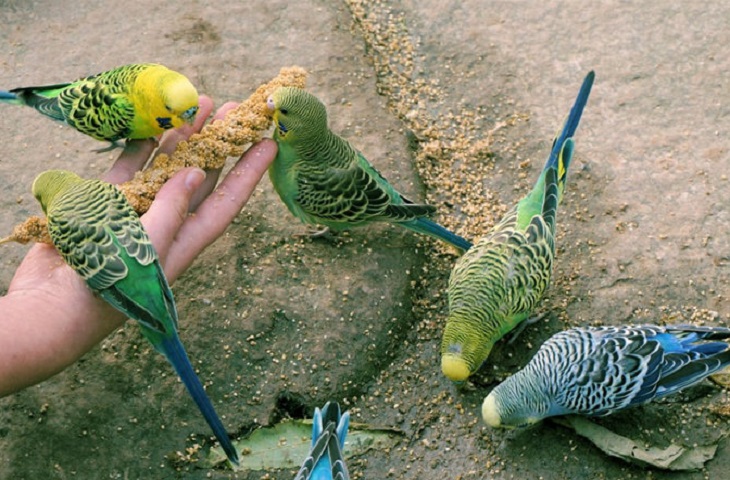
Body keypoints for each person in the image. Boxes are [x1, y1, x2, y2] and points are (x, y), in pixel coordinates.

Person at [0, 95, 277, 397]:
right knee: (164, 329)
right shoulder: (102, 192)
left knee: (160, 328)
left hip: (124, 281)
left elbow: (100, 277)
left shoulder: (60, 225)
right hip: (141, 261)